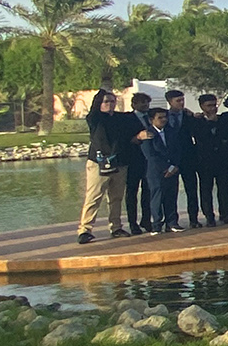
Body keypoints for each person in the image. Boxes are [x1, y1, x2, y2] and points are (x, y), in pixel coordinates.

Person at [77, 90, 148, 245]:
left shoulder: (121, 118)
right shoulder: (95, 118)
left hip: (119, 162)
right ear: (99, 103)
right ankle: (85, 230)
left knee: (116, 197)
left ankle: (116, 227)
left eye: (112, 101)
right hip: (98, 162)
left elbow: (140, 117)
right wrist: (104, 89)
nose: (110, 104)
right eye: (106, 101)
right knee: (94, 196)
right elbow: (94, 111)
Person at [193, 94, 228, 225]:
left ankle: (226, 214)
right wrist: (210, 122)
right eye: (209, 106)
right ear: (202, 106)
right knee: (206, 189)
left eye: (214, 105)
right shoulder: (196, 121)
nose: (212, 108)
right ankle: (209, 216)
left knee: (225, 187)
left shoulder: (223, 119)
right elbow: (200, 136)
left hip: (222, 160)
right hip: (205, 161)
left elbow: (227, 136)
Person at [162, 88, 202, 228]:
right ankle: (171, 221)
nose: (181, 103)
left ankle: (194, 219)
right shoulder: (163, 117)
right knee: (170, 191)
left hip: (188, 158)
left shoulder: (188, 116)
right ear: (170, 101)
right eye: (178, 100)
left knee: (191, 189)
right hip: (170, 158)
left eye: (182, 100)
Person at [141, 107, 184, 233]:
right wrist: (166, 168)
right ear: (151, 120)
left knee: (171, 196)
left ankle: (172, 223)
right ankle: (156, 225)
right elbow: (150, 155)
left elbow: (178, 150)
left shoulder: (172, 132)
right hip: (156, 171)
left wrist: (174, 166)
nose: (164, 119)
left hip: (172, 170)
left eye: (165, 117)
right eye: (160, 117)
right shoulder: (147, 134)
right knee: (157, 198)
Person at [124, 91, 153, 234]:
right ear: (134, 104)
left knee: (148, 191)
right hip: (133, 159)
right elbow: (123, 138)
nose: (145, 105)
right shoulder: (127, 119)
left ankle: (146, 220)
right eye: (142, 102)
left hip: (149, 160)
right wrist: (135, 138)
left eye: (147, 102)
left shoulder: (152, 117)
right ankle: (132, 223)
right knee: (132, 192)